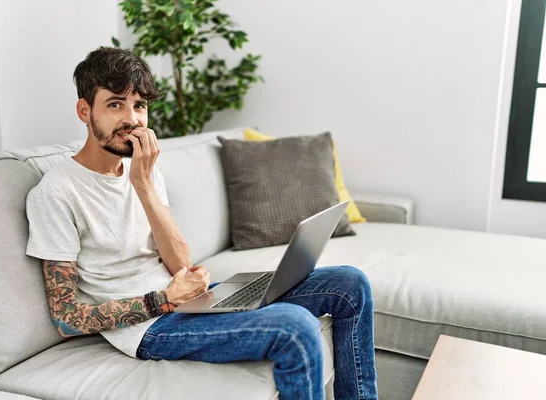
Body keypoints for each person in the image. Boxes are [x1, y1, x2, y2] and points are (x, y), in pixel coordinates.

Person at [25, 46, 378, 400]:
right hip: (148, 327)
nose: (132, 119)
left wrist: (144, 186)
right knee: (296, 327)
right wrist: (162, 299)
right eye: (115, 104)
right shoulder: (57, 193)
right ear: (85, 111)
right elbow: (68, 318)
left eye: (140, 105)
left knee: (349, 284)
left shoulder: (143, 172)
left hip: (186, 301)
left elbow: (179, 263)